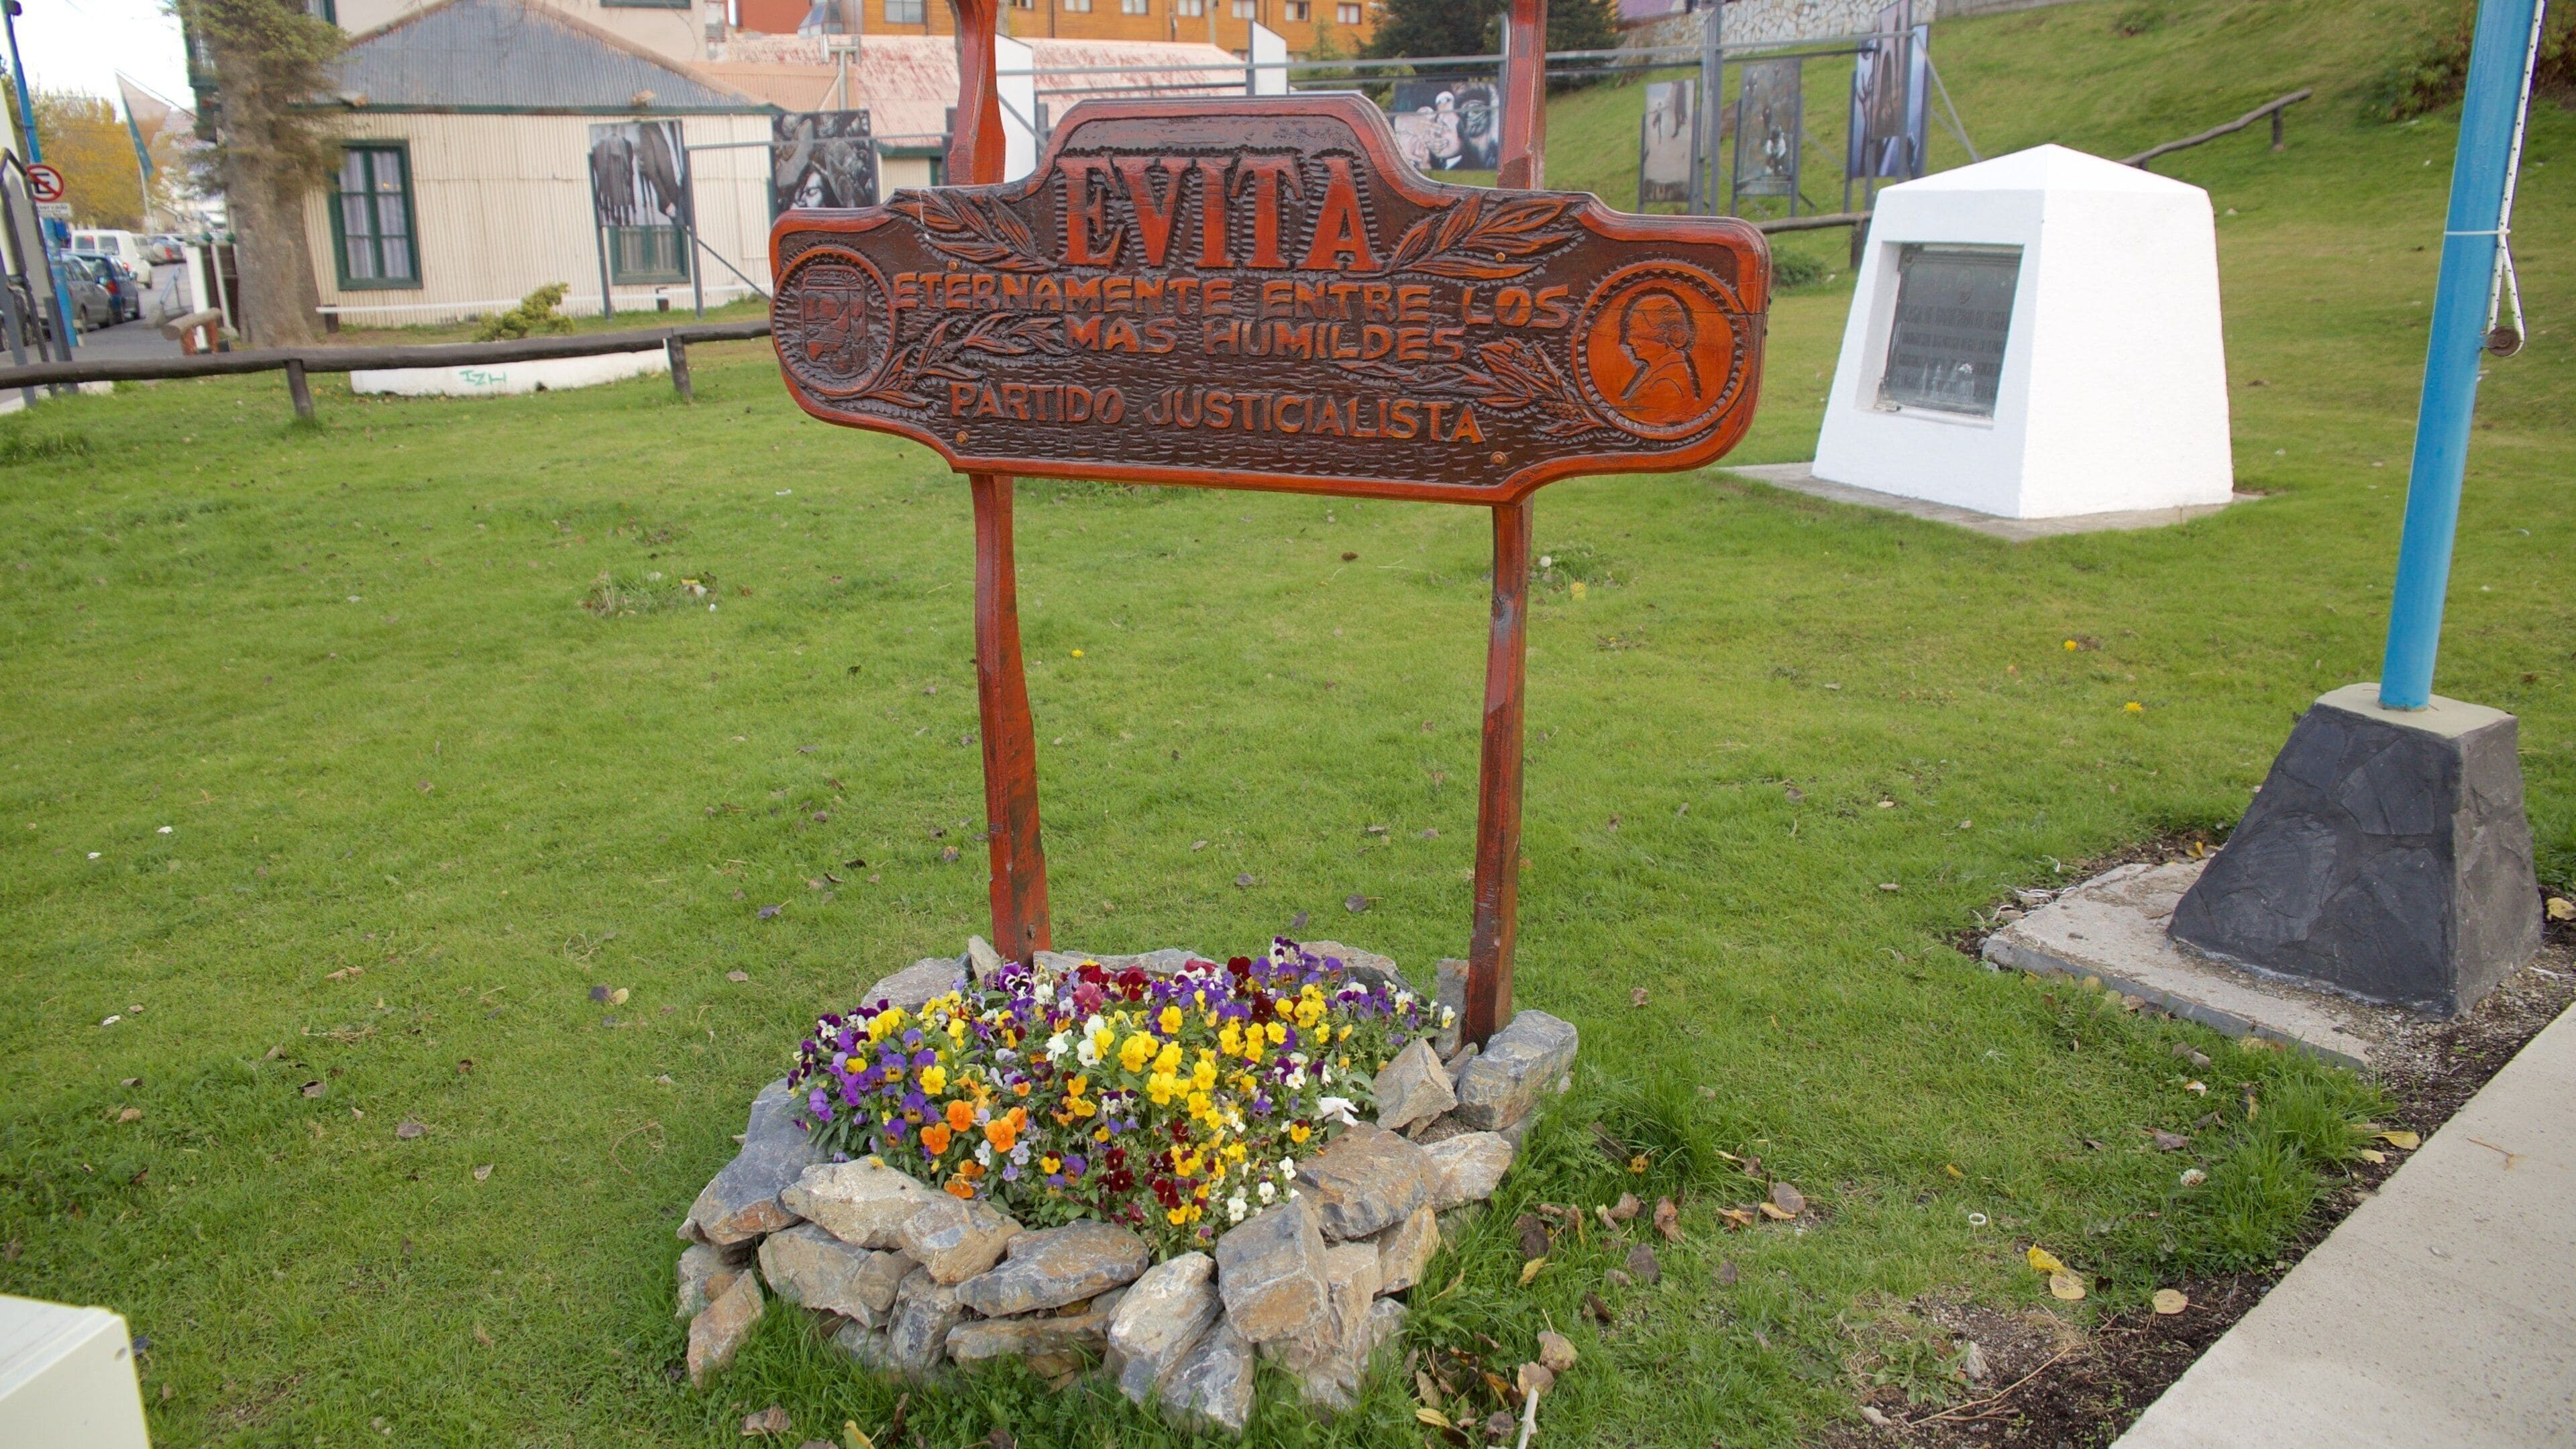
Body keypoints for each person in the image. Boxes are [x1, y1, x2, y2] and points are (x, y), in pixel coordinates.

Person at [1614, 289, 1704, 418]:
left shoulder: (1666, 386)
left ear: (1664, 334)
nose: (1628, 341)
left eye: (1634, 330)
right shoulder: (1661, 374)